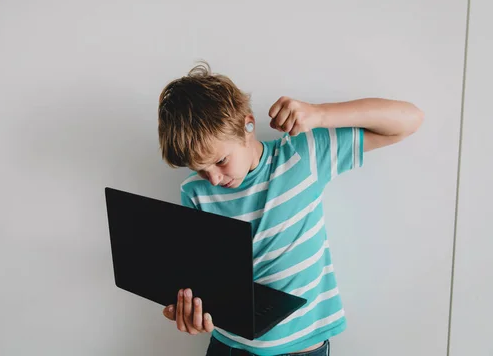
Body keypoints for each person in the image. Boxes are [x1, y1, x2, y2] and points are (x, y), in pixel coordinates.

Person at [156, 62, 423, 355]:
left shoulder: (300, 155)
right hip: (229, 346)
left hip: (303, 349)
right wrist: (191, 309)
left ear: (247, 125)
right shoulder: (194, 192)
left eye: (220, 161)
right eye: (201, 169)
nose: (215, 179)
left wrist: (320, 115)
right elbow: (202, 276)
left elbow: (409, 120)